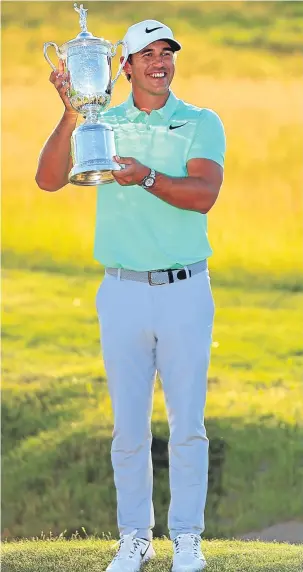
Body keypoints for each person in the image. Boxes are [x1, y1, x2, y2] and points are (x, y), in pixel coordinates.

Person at [36, 18, 226, 572]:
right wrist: (74, 108)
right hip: (121, 292)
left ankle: (187, 539)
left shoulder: (198, 121)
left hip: (185, 290)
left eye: (166, 53)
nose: (159, 62)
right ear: (124, 66)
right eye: (146, 55)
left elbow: (203, 195)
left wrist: (145, 178)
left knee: (188, 424)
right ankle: (134, 539)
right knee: (128, 429)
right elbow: (49, 180)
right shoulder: (104, 121)